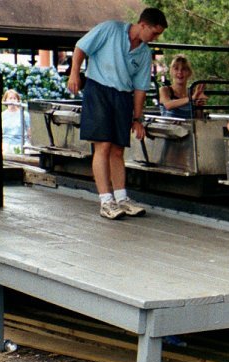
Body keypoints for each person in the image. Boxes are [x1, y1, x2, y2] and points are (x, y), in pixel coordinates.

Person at [67, 8, 168, 220]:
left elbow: (140, 88)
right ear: (142, 25)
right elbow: (81, 47)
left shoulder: (144, 52)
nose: (156, 38)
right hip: (99, 89)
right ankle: (106, 200)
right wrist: (74, 72)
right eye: (154, 32)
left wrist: (137, 118)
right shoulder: (110, 29)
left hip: (123, 96)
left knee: (118, 149)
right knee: (102, 145)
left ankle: (122, 198)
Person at [159, 54, 207, 119]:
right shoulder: (164, 90)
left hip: (189, 128)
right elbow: (168, 105)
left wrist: (199, 106)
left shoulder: (193, 92)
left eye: (184, 69)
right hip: (169, 128)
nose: (180, 72)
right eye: (176, 69)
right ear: (171, 72)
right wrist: (191, 98)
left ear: (189, 73)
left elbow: (198, 120)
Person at [2, 89, 30, 154]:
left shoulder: (24, 114)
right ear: (5, 100)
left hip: (20, 144)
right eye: (10, 98)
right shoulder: (3, 115)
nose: (12, 100)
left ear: (18, 100)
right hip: (5, 145)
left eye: (14, 98)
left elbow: (29, 133)